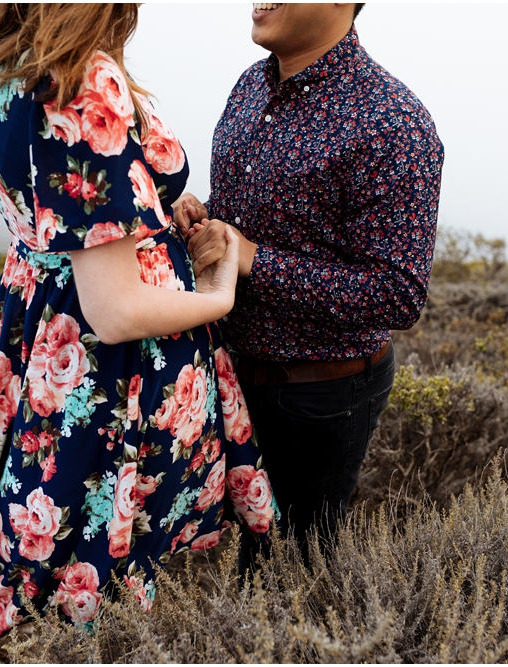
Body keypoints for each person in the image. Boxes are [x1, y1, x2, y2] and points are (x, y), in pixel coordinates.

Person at [0, 3, 276, 643]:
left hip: (32, 322)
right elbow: (118, 310)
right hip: (107, 361)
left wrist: (146, 205)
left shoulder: (5, 58)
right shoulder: (81, 74)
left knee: (42, 525)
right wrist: (219, 290)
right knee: (99, 551)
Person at [174, 3, 444, 572]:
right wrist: (204, 222)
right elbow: (261, 219)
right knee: (218, 555)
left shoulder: (393, 121)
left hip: (318, 398)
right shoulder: (250, 85)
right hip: (228, 373)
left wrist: (251, 259)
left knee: (291, 570)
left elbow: (396, 293)